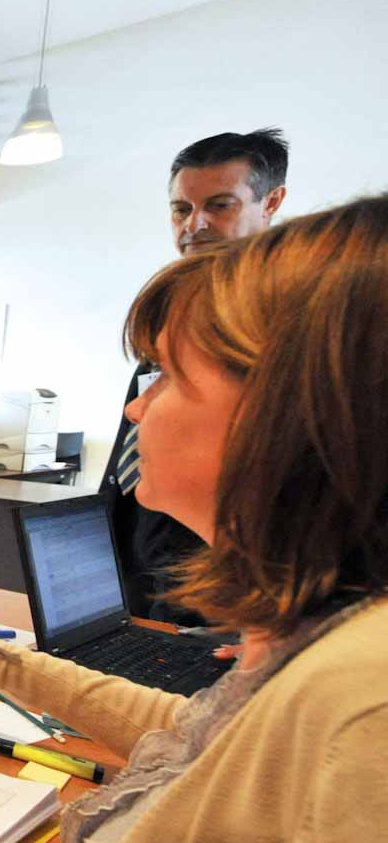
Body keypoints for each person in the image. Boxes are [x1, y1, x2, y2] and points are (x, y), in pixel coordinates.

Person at [0, 194, 388, 843]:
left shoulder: (364, 701)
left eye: (170, 379)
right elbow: (203, 740)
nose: (140, 411)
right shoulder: (321, 640)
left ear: (290, 412)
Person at [102, 128, 287, 622]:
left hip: (226, 576)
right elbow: (133, 433)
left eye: (219, 205)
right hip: (142, 559)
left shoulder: (292, 321)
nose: (194, 225)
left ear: (271, 202)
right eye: (181, 210)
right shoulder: (175, 306)